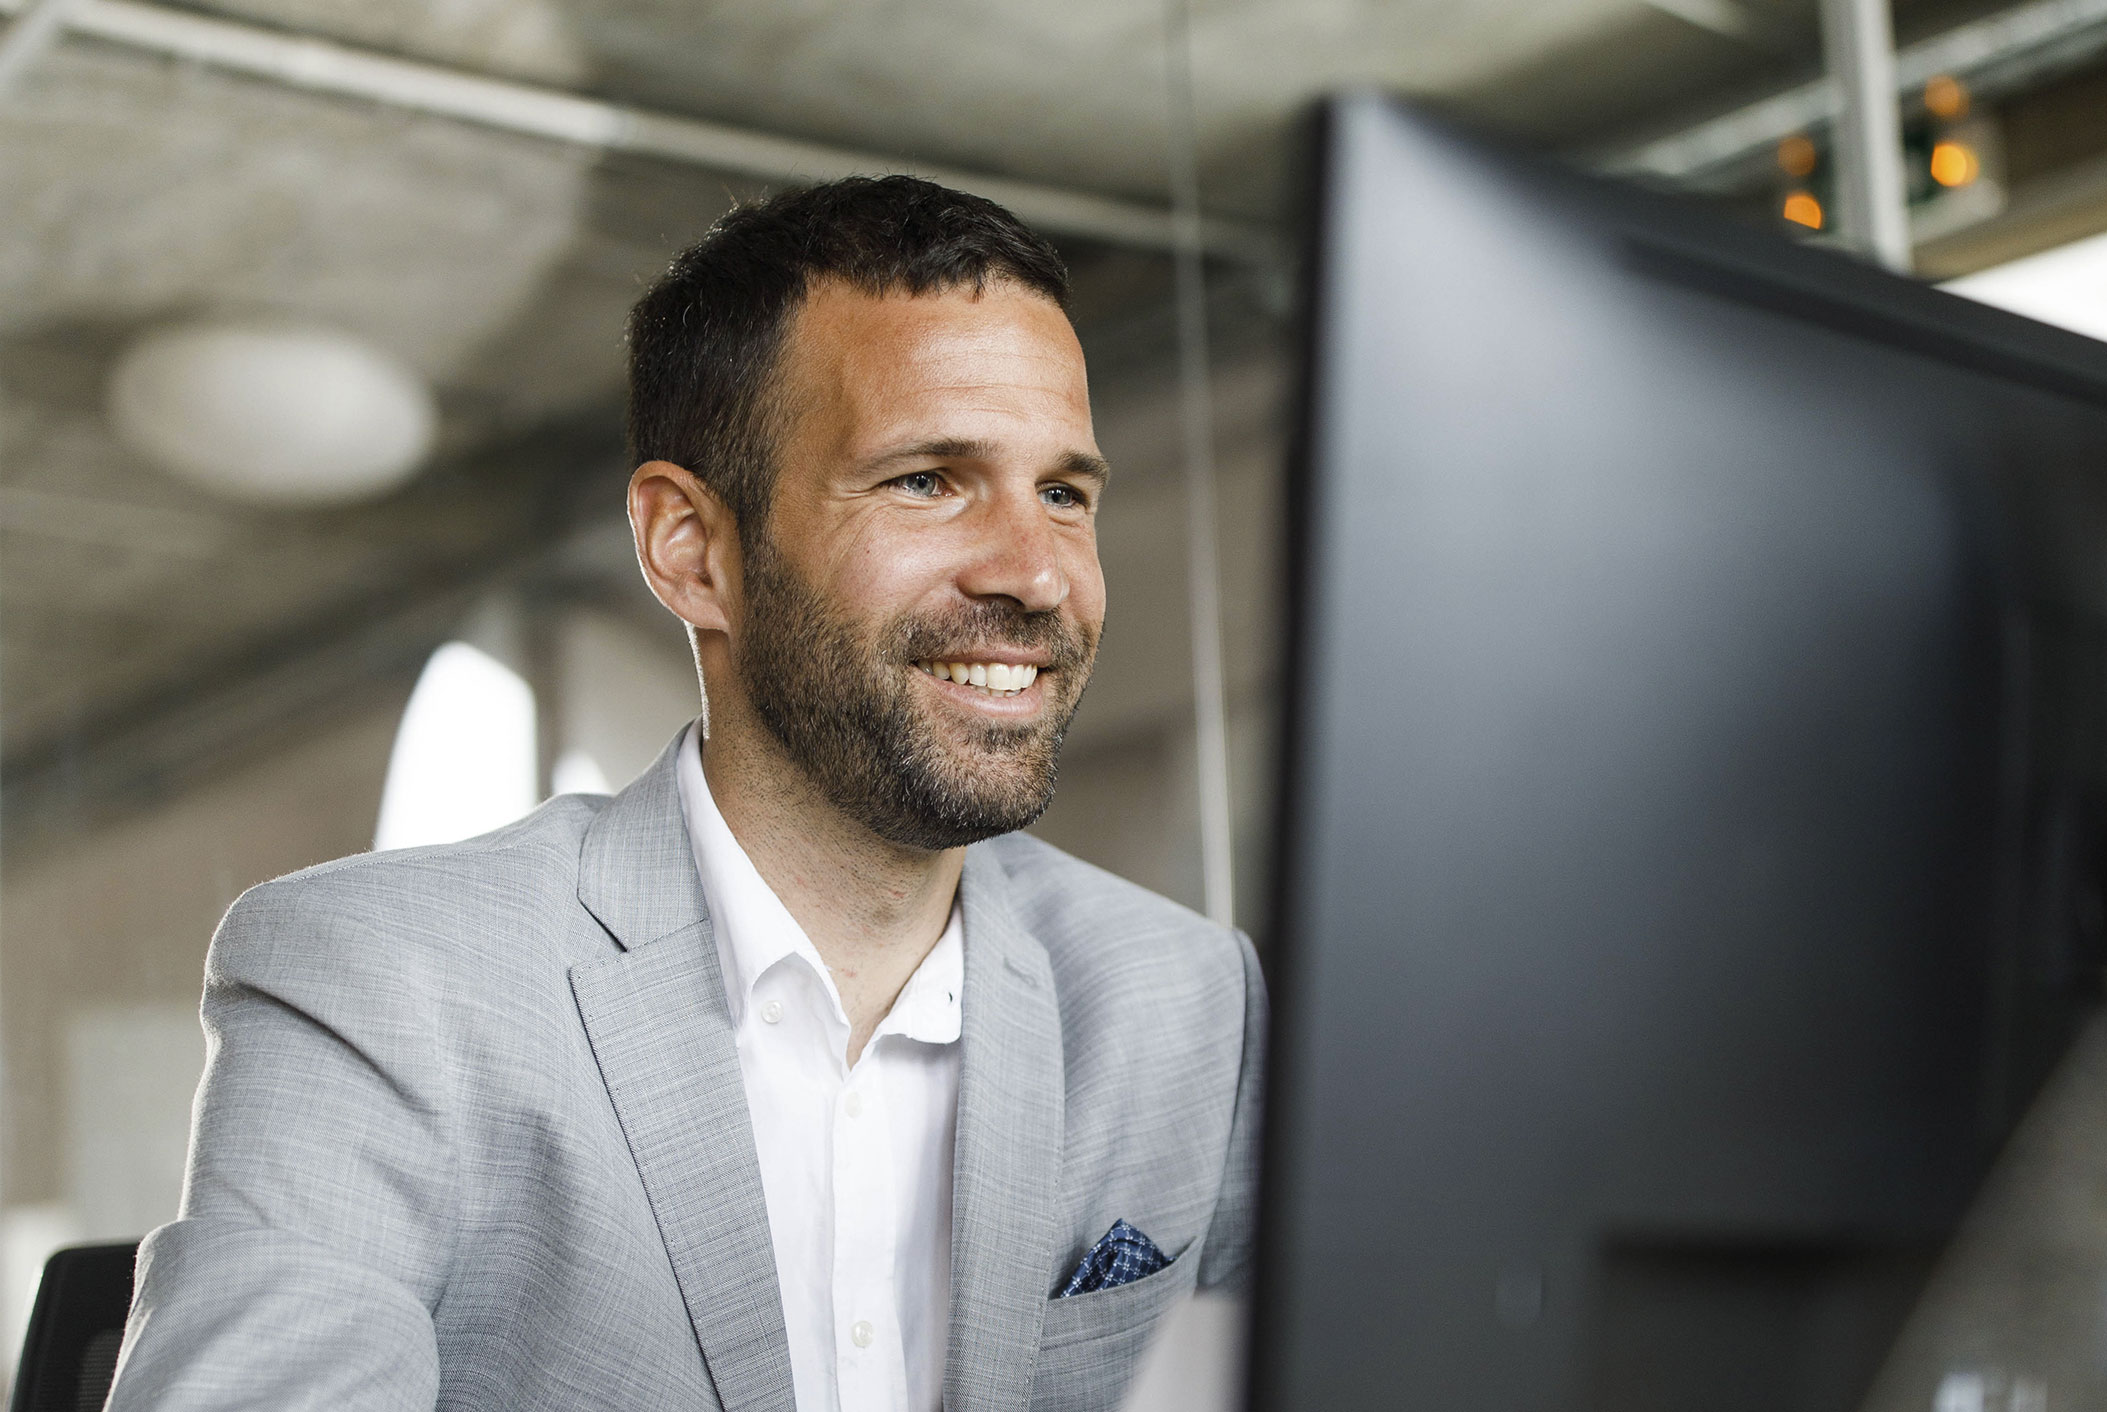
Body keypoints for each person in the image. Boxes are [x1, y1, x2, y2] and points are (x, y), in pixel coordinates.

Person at [106, 176, 1264, 1412]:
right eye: (928, 479)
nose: (1037, 573)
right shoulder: (390, 980)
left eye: (1064, 492)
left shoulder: (1193, 1008)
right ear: (690, 548)